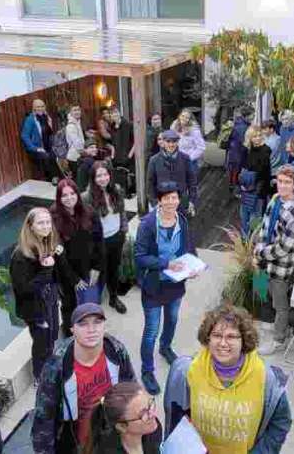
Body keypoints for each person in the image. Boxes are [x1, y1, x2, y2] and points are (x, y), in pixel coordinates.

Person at [164, 304, 292, 454]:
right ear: (208, 338)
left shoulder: (266, 378)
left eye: (231, 336)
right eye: (217, 335)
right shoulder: (188, 371)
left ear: (244, 340)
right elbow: (176, 418)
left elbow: (281, 422)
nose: (223, 343)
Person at [32, 303, 137, 454]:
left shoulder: (116, 351)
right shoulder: (56, 367)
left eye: (97, 322)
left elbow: (132, 392)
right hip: (78, 444)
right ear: (72, 330)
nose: (92, 329)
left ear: (104, 326)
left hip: (113, 436)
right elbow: (44, 419)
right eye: (83, 324)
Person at [133, 181, 200, 394]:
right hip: (154, 286)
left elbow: (189, 246)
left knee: (172, 320)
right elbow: (140, 256)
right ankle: (147, 370)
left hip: (175, 284)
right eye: (167, 198)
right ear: (159, 200)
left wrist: (194, 265)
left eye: (175, 197)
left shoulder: (182, 220)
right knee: (151, 330)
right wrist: (166, 264)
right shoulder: (147, 224)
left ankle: (165, 347)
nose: (172, 202)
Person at [11, 207, 73, 379]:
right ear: (30, 226)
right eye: (41, 223)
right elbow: (24, 290)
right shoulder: (21, 256)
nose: (46, 226)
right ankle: (39, 376)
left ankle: (50, 367)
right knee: (41, 344)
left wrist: (59, 257)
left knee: (52, 337)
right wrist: (46, 270)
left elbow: (57, 275)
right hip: (35, 308)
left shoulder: (47, 242)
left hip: (50, 300)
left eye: (48, 222)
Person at [254, 165, 294, 355]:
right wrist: (258, 249)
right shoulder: (276, 200)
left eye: (287, 182)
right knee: (261, 292)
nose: (282, 186)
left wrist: (261, 254)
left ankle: (279, 340)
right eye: (280, 181)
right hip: (263, 260)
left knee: (281, 305)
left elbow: (283, 249)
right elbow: (265, 225)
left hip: (279, 268)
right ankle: (270, 324)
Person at [51, 179, 103, 336]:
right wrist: (74, 279)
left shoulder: (89, 212)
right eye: (64, 195)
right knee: (69, 306)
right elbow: (58, 253)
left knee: (89, 306)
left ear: (77, 194)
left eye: (72, 193)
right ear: (59, 198)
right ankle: (70, 337)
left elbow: (99, 241)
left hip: (88, 267)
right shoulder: (54, 217)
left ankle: (89, 334)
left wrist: (97, 267)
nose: (69, 198)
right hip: (66, 273)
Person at [82, 163, 129, 314]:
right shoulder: (87, 197)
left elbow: (122, 212)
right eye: (99, 176)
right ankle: (95, 299)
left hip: (116, 236)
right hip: (100, 241)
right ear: (93, 178)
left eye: (105, 174)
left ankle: (114, 298)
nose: (103, 179)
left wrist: (124, 230)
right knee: (100, 270)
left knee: (114, 268)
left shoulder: (117, 190)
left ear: (110, 175)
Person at [88, 382, 164, 454]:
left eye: (150, 404)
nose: (153, 414)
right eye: (143, 414)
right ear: (122, 426)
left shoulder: (153, 430)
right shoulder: (107, 451)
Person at [145, 129, 198, 214]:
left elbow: (192, 181)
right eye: (168, 141)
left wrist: (192, 201)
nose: (171, 144)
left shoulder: (185, 159)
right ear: (163, 142)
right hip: (162, 205)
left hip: (181, 204)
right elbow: (150, 183)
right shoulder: (154, 160)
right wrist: (154, 203)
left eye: (174, 141)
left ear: (177, 142)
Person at [239, 125, 272, 237]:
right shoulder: (247, 150)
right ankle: (244, 244)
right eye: (255, 136)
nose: (258, 138)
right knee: (244, 219)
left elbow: (263, 172)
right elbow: (242, 169)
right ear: (250, 138)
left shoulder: (266, 150)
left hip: (259, 191)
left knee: (255, 220)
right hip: (246, 189)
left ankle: (253, 244)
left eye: (259, 136)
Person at [170, 109, 206, 196]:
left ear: (190, 119)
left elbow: (201, 147)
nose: (184, 119)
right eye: (182, 116)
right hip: (176, 160)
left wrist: (189, 157)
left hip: (190, 162)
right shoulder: (174, 127)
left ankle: (190, 205)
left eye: (187, 117)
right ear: (179, 116)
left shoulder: (194, 130)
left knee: (191, 187)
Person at [22, 98, 58, 180]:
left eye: (42, 106)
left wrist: (50, 124)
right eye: (38, 107)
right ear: (33, 108)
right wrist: (35, 148)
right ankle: (51, 178)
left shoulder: (45, 117)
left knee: (54, 155)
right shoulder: (30, 119)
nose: (40, 108)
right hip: (36, 148)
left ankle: (57, 177)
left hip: (46, 146)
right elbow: (24, 136)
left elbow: (49, 133)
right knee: (46, 157)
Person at [107, 108, 136, 195]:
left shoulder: (128, 124)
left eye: (116, 113)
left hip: (128, 155)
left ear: (120, 114)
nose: (114, 115)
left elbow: (136, 141)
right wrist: (112, 154)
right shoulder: (112, 126)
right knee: (119, 178)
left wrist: (130, 154)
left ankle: (130, 195)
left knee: (130, 178)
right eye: (112, 114)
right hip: (117, 157)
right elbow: (112, 143)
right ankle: (121, 196)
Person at [225, 106, 253, 192]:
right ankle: (236, 190)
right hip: (238, 153)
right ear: (246, 116)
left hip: (234, 151)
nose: (253, 117)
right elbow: (244, 142)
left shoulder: (239, 123)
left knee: (234, 171)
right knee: (237, 172)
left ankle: (233, 187)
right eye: (252, 115)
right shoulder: (242, 127)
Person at [65, 106, 86, 175]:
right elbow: (77, 143)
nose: (77, 112)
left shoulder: (77, 122)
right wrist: (85, 152)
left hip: (78, 156)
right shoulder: (71, 125)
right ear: (70, 113)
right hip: (74, 157)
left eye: (78, 110)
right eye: (74, 110)